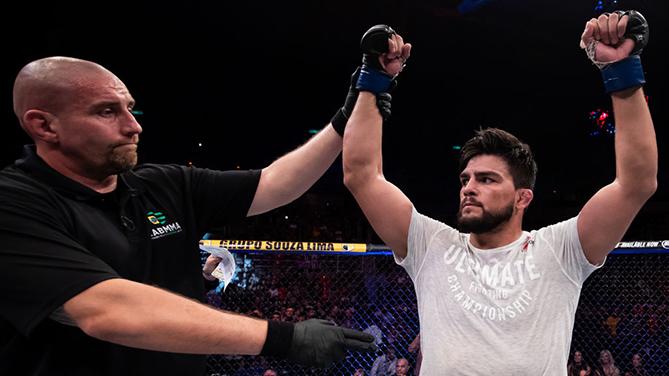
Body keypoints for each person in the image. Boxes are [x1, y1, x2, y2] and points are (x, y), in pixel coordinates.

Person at [0, 55, 379, 375]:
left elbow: (276, 184)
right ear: (44, 125)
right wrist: (283, 337)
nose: (134, 126)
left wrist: (344, 118)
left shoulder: (164, 184)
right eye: (107, 112)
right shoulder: (15, 202)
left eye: (129, 108)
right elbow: (105, 309)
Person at [342, 11, 656, 375]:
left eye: (487, 180)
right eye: (466, 179)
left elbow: (637, 183)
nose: (470, 188)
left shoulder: (561, 249)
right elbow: (361, 175)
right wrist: (374, 79)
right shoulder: (431, 245)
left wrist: (623, 71)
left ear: (523, 197)